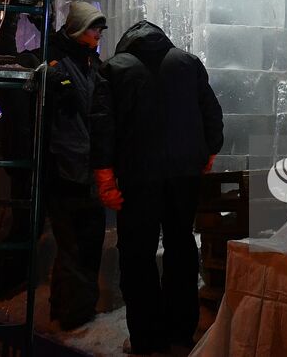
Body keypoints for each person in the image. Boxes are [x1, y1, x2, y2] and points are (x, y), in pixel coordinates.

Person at [91, 20, 223, 356]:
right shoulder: (187, 62)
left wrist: (104, 174)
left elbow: (103, 125)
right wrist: (209, 149)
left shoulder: (113, 69)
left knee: (138, 255)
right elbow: (211, 111)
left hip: (139, 176)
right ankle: (181, 332)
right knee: (181, 246)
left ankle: (147, 339)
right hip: (184, 174)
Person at [0, 0, 110, 330]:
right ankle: (72, 315)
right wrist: (13, 18)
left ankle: (70, 308)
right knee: (70, 244)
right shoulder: (54, 62)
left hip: (84, 170)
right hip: (63, 170)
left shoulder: (91, 64)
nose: (99, 33)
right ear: (77, 30)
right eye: (93, 27)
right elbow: (14, 74)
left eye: (100, 28)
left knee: (84, 243)